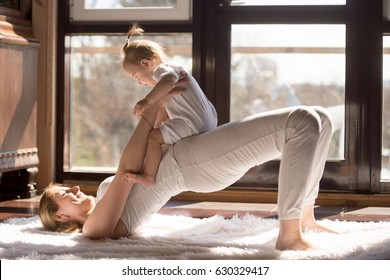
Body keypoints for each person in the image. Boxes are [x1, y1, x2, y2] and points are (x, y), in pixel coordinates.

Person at [39, 84, 336, 251]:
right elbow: (126, 168)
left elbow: (144, 153)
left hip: (189, 152)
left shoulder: (101, 205)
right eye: (63, 193)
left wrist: (160, 106)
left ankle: (305, 216)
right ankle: (289, 235)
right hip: (193, 164)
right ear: (61, 216)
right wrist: (155, 103)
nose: (74, 188)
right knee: (302, 122)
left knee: (320, 117)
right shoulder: (93, 228)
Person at [121, 23, 217, 187]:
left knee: (154, 139)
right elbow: (163, 112)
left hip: (192, 123)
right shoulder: (165, 83)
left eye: (136, 76)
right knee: (156, 134)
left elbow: (169, 80)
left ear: (146, 64)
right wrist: (154, 126)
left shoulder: (163, 70)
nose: (139, 82)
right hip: (208, 121)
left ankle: (149, 176)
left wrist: (147, 101)